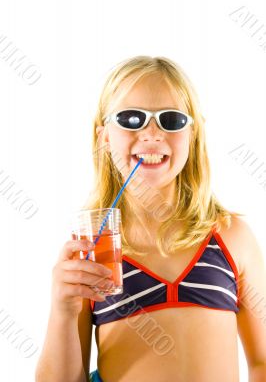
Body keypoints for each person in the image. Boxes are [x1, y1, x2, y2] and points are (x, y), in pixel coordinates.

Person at [35, 56, 266, 382]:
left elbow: (262, 362)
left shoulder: (232, 238)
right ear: (104, 137)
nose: (152, 133)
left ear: (193, 134)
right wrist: (63, 309)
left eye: (171, 119)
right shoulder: (90, 252)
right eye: (131, 118)